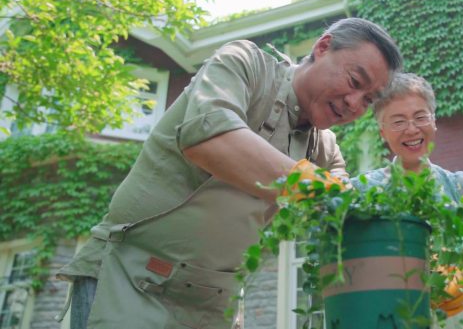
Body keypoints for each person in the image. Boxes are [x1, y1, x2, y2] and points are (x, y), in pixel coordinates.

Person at [56, 17, 403, 329]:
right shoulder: (244, 64)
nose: (355, 103)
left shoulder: (324, 147)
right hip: (130, 282)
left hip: (215, 306)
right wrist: (312, 185)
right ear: (323, 47)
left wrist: (418, 265)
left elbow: (349, 218)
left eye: (369, 100)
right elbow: (211, 140)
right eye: (355, 80)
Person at [351, 72, 463, 329]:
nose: (412, 129)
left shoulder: (456, 185)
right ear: (382, 131)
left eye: (420, 117)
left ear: (434, 121)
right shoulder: (363, 190)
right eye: (398, 121)